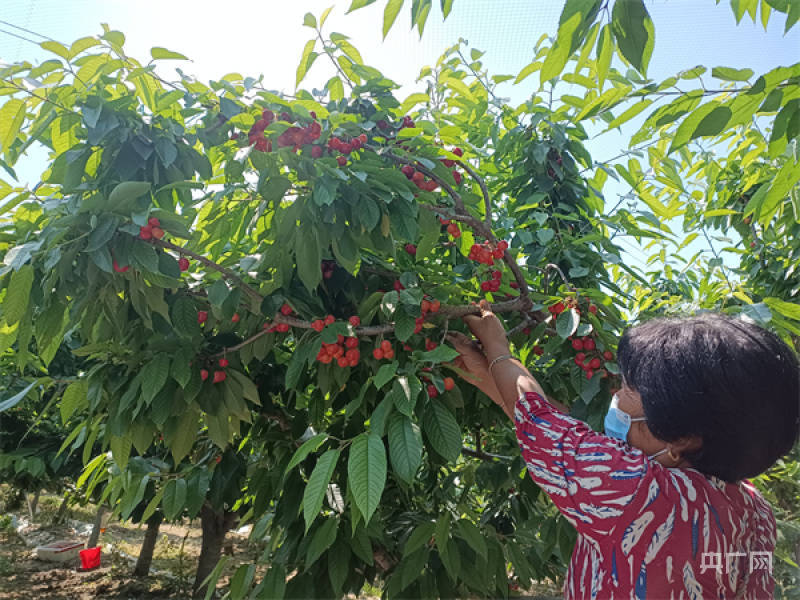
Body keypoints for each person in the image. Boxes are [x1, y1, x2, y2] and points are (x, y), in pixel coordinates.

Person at [447, 301, 800, 599]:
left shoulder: (638, 494)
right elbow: (564, 439)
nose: (618, 393)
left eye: (632, 387)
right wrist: (486, 373)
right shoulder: (755, 512)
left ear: (681, 440)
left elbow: (544, 426)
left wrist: (498, 350)